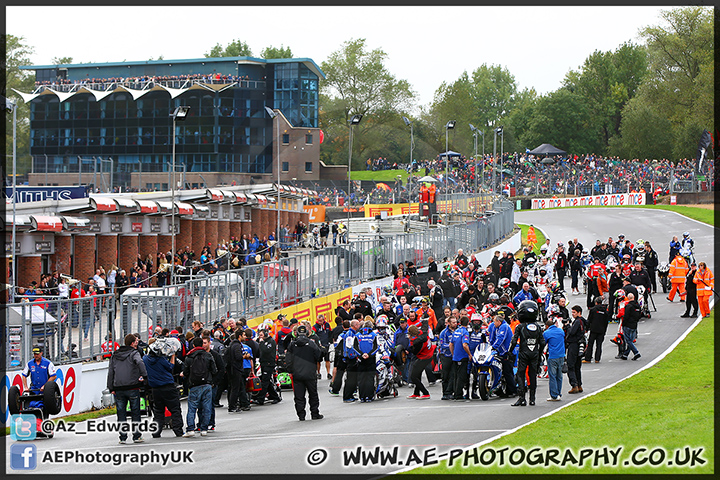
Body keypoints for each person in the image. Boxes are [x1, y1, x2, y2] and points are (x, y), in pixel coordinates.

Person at [107, 334, 148, 444]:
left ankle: (123, 437)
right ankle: (136, 435)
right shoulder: (134, 353)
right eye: (135, 341)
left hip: (118, 387)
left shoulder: (115, 355)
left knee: (121, 413)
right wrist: (144, 376)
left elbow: (111, 372)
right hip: (132, 386)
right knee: (135, 411)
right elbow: (140, 362)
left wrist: (111, 387)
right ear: (132, 343)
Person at [143, 339, 184, 438]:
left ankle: (156, 432)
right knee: (175, 409)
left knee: (158, 411)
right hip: (168, 386)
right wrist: (172, 355)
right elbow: (170, 367)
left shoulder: (145, 359)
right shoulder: (161, 360)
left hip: (155, 388)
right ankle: (178, 430)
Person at [510, 300, 545, 406]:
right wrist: (539, 353)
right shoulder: (538, 327)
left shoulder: (520, 327)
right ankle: (532, 399)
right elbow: (542, 342)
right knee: (533, 375)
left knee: (520, 374)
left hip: (523, 353)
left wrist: (509, 351)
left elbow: (514, 340)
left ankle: (522, 398)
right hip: (534, 353)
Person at [285, 324, 323, 420]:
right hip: (310, 373)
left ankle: (301, 415)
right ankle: (315, 413)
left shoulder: (292, 345)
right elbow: (319, 356)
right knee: (313, 394)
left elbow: (288, 360)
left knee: (299, 396)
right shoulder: (311, 343)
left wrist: (290, 370)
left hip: (297, 374)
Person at [181, 336, 217, 437]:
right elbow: (214, 370)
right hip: (207, 384)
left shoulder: (189, 356)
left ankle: (190, 429)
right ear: (202, 345)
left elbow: (186, 372)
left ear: (193, 345)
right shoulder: (208, 355)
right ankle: (204, 428)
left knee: (192, 408)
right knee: (207, 407)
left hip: (194, 385)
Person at [488, 313, 516, 397]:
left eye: (494, 322)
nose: (493, 323)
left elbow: (500, 339)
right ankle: (498, 390)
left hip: (507, 353)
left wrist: (493, 347)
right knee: (499, 371)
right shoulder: (496, 327)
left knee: (507, 372)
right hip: (500, 353)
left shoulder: (504, 327)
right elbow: (492, 338)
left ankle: (512, 391)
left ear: (499, 321)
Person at [227, 330, 253, 412]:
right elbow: (238, 357)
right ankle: (232, 406)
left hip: (233, 369)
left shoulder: (233, 344)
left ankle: (239, 404)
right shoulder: (237, 345)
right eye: (244, 335)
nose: (245, 337)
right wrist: (245, 356)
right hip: (236, 369)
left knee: (238, 387)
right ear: (240, 336)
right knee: (235, 388)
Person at [407, 324, 436, 399]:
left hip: (424, 358)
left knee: (413, 376)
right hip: (428, 355)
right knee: (418, 374)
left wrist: (411, 341)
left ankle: (426, 393)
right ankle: (416, 393)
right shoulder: (422, 333)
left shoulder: (417, 342)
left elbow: (415, 352)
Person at [255, 328, 282, 405]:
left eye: (261, 335)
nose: (260, 337)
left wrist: (261, 343)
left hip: (269, 364)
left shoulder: (271, 342)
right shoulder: (263, 342)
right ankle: (275, 397)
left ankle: (260, 399)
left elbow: (265, 351)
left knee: (265, 382)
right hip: (263, 363)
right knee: (267, 381)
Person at [542, 319, 565, 401]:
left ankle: (554, 395)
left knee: (552, 376)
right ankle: (558, 392)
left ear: (547, 326)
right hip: (561, 355)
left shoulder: (547, 333)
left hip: (553, 356)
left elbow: (543, 343)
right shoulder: (561, 331)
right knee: (559, 376)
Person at [565, 306, 585, 394]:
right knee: (577, 366)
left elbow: (572, 332)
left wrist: (568, 326)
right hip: (579, 344)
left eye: (574, 312)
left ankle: (574, 385)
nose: (572, 314)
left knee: (571, 365)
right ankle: (579, 385)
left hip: (574, 345)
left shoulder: (577, 321)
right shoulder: (583, 321)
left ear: (579, 312)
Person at [584, 296, 610, 363]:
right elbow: (606, 322)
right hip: (601, 330)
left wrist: (587, 328)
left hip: (593, 329)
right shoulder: (605, 311)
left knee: (590, 344)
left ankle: (588, 358)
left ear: (596, 302)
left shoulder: (593, 310)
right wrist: (604, 331)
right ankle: (597, 359)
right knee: (599, 345)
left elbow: (589, 320)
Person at [617, 293, 642, 361]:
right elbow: (640, 315)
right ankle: (625, 354)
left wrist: (624, 324)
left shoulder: (628, 306)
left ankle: (636, 352)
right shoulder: (637, 306)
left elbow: (626, 316)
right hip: (634, 324)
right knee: (630, 340)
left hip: (628, 324)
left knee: (628, 340)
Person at [438, 316, 457, 400]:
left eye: (456, 322)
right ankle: (445, 393)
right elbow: (442, 345)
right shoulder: (444, 333)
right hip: (446, 356)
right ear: (449, 323)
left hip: (455, 356)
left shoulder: (458, 331)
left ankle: (451, 391)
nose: (455, 324)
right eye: (453, 322)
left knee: (453, 375)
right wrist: (451, 346)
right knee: (445, 375)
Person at [312, 314, 333, 380]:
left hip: (326, 345)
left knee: (327, 359)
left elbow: (330, 332)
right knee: (318, 361)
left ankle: (329, 373)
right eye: (318, 320)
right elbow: (313, 335)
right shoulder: (315, 326)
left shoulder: (327, 325)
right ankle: (318, 373)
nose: (319, 322)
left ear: (323, 320)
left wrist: (330, 341)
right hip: (319, 346)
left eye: (321, 321)